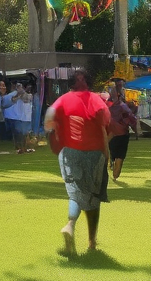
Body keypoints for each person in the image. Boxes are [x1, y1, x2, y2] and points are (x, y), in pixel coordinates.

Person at [46, 68, 111, 254]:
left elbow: (49, 122)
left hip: (69, 153)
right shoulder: (96, 99)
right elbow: (105, 124)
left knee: (75, 193)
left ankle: (70, 224)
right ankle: (91, 243)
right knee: (93, 196)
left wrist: (57, 137)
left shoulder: (63, 100)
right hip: (94, 153)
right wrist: (107, 155)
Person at [107, 78, 138, 179]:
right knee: (120, 157)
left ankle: (110, 162)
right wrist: (136, 131)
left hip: (111, 134)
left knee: (110, 151)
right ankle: (115, 175)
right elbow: (132, 120)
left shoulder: (106, 106)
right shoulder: (123, 107)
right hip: (122, 134)